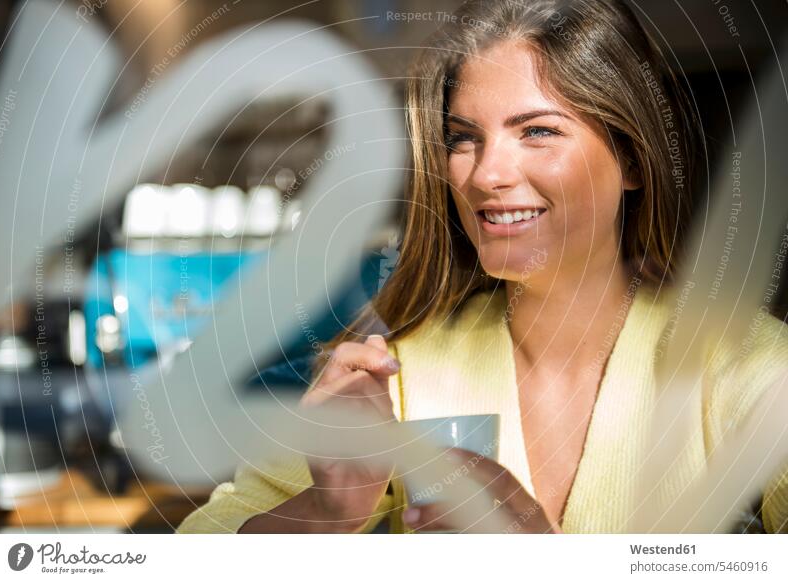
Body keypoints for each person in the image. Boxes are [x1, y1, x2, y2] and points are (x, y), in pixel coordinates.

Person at [177, 0, 788, 534]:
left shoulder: (752, 369)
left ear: (632, 158)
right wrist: (323, 514)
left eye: (539, 131)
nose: (486, 174)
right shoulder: (401, 371)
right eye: (463, 138)